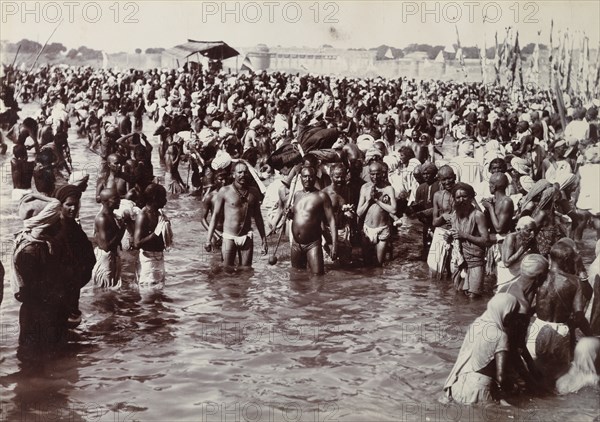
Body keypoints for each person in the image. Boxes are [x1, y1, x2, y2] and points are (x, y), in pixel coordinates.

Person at [527, 242, 593, 381]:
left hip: (537, 327)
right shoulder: (574, 282)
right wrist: (590, 336)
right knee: (559, 377)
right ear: (568, 261)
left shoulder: (539, 277)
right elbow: (579, 316)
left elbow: (526, 304)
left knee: (533, 372)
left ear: (550, 258)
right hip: (560, 331)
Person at [13, 198, 68, 362]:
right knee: (35, 359)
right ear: (46, 223)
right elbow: (33, 292)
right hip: (37, 315)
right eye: (56, 221)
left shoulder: (44, 244)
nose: (60, 223)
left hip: (45, 311)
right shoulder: (30, 251)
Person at [443, 293, 520, 405]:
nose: (515, 320)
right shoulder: (500, 336)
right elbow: (501, 377)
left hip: (457, 385)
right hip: (478, 391)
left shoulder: (477, 324)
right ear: (506, 314)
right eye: (514, 315)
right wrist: (514, 387)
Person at [497, 254, 549, 388]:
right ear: (539, 277)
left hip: (494, 354)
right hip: (502, 359)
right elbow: (515, 348)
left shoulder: (505, 288)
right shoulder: (522, 305)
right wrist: (531, 379)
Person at [205, 162, 267, 268]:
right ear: (233, 174)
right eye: (239, 172)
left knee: (246, 272)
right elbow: (214, 216)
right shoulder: (225, 191)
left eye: (245, 172)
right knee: (227, 271)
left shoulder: (254, 192)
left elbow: (258, 217)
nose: (243, 175)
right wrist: (208, 239)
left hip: (247, 237)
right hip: (229, 237)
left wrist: (264, 239)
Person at [54, 184, 96, 327]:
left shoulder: (74, 226)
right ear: (60, 205)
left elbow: (88, 254)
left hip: (73, 286)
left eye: (76, 205)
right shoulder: (57, 229)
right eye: (69, 205)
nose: (73, 208)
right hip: (62, 289)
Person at [289, 166, 337, 275]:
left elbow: (332, 220)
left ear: (315, 178)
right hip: (296, 244)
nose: (307, 179)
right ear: (300, 178)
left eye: (310, 177)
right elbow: (297, 217)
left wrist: (334, 245)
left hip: (312, 244)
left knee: (318, 277)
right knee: (297, 276)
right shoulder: (297, 194)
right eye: (305, 176)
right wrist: (289, 214)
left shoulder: (321, 196)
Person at [449, 182, 490, 298]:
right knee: (458, 296)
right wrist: (449, 237)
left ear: (471, 197)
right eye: (458, 197)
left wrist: (465, 235)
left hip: (475, 260)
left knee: (474, 298)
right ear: (454, 199)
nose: (461, 200)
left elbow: (486, 241)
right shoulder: (454, 215)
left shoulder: (478, 215)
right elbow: (455, 236)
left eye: (465, 196)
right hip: (459, 260)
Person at [357, 161, 397, 266]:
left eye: (377, 174)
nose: (375, 177)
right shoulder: (364, 188)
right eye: (372, 174)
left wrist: (377, 201)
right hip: (367, 229)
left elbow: (393, 210)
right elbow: (359, 212)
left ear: (382, 173)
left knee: (379, 263)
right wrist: (369, 201)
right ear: (369, 174)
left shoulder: (388, 189)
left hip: (382, 229)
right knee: (367, 264)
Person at [133, 183, 172, 286]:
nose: (165, 200)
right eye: (163, 197)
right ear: (155, 198)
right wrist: (155, 235)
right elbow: (136, 244)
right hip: (147, 260)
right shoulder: (143, 215)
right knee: (147, 293)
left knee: (159, 292)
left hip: (159, 258)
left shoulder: (158, 213)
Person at [92, 188, 126, 288]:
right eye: (115, 198)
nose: (119, 200)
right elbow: (106, 246)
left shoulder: (112, 216)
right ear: (106, 201)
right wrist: (122, 229)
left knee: (112, 290)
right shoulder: (102, 218)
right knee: (104, 291)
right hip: (105, 259)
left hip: (112, 258)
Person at [407, 162, 440, 260]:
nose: (425, 176)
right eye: (424, 174)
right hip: (426, 222)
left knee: (438, 247)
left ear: (434, 173)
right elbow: (417, 208)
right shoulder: (421, 188)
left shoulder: (439, 185)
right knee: (427, 246)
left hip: (439, 221)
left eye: (428, 173)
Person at [322, 163, 354, 263]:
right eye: (337, 177)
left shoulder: (347, 190)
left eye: (342, 176)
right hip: (328, 231)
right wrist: (326, 237)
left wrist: (350, 213)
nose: (340, 179)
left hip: (344, 230)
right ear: (331, 176)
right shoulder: (325, 193)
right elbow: (319, 218)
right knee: (329, 263)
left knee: (345, 264)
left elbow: (348, 210)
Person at [429, 165, 456, 278]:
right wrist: (443, 217)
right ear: (439, 181)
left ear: (455, 177)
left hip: (457, 233)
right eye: (443, 179)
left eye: (449, 178)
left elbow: (476, 212)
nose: (447, 182)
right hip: (441, 232)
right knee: (434, 272)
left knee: (455, 271)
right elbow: (434, 222)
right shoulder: (437, 196)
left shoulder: (462, 193)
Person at [497, 217, 538, 290]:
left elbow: (536, 256)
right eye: (529, 230)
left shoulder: (531, 239)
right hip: (508, 275)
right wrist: (523, 248)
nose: (533, 233)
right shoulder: (511, 238)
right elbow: (507, 263)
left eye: (534, 230)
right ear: (519, 230)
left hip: (523, 274)